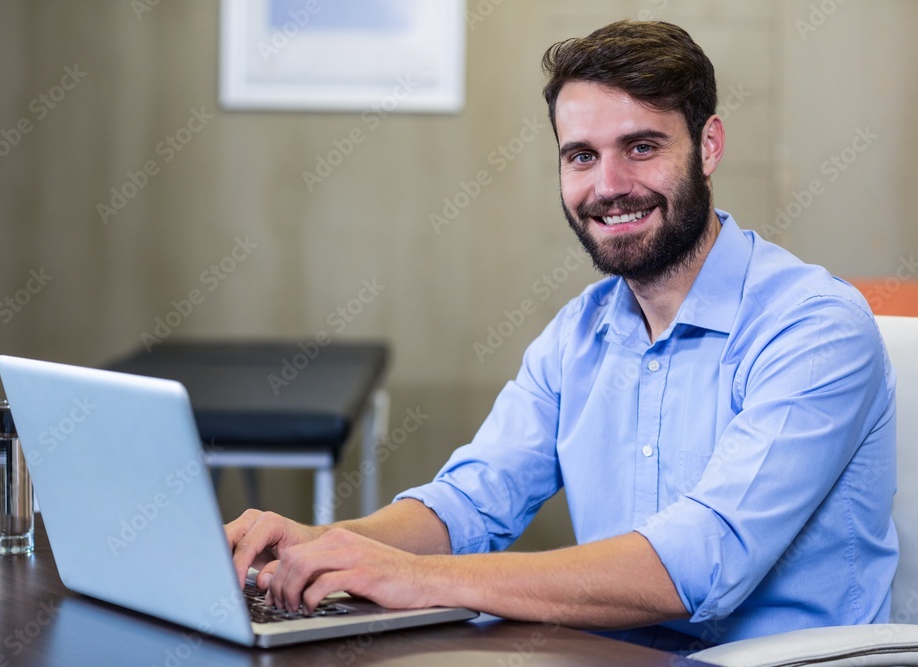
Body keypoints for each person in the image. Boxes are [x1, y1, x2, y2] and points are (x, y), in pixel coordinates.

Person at [226, 20, 896, 652]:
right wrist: (325, 545)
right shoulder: (580, 332)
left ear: (709, 146)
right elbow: (472, 501)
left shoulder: (814, 327)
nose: (608, 186)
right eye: (581, 156)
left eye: (641, 146)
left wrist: (418, 578)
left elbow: (699, 562)